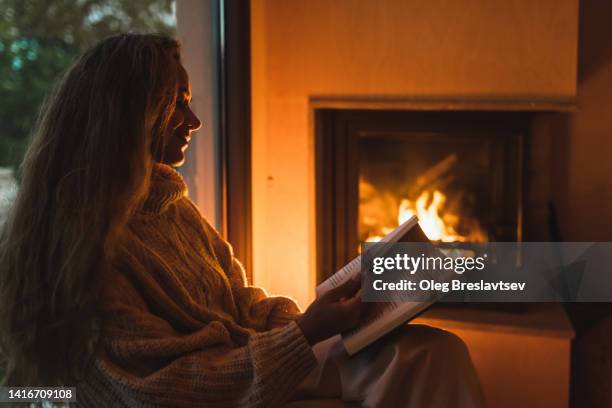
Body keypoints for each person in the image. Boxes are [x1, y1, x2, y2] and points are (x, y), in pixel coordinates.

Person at [0, 33, 484, 407]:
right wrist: (305, 335)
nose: (194, 121)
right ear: (129, 116)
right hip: (219, 384)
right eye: (177, 103)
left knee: (434, 352)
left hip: (255, 353)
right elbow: (153, 390)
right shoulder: (87, 246)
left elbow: (241, 302)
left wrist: (326, 317)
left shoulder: (169, 204)